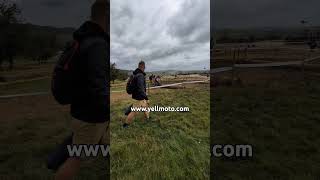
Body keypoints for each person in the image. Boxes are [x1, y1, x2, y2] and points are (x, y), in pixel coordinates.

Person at [55, 1, 109, 180]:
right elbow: (98, 86)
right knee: (76, 158)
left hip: (86, 112)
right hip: (92, 116)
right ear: (108, 16)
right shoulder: (97, 44)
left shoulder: (83, 39)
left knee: (108, 144)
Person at [123, 61, 150, 128]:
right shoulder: (140, 75)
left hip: (138, 96)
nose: (145, 68)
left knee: (145, 107)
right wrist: (146, 97)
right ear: (143, 67)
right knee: (134, 112)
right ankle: (125, 125)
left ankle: (148, 118)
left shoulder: (136, 74)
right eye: (144, 67)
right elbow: (141, 88)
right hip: (138, 97)